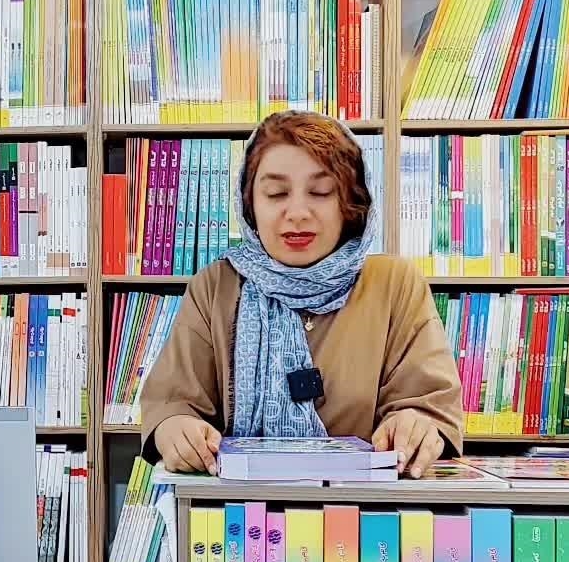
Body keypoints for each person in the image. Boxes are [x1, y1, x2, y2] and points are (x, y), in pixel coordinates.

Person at [139, 110, 464, 478]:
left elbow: (430, 406)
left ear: (350, 203)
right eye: (276, 193)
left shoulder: (394, 284)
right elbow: (173, 404)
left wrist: (416, 424)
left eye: (321, 192)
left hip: (366, 508)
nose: (297, 213)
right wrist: (175, 429)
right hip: (241, 509)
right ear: (250, 204)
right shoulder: (216, 287)